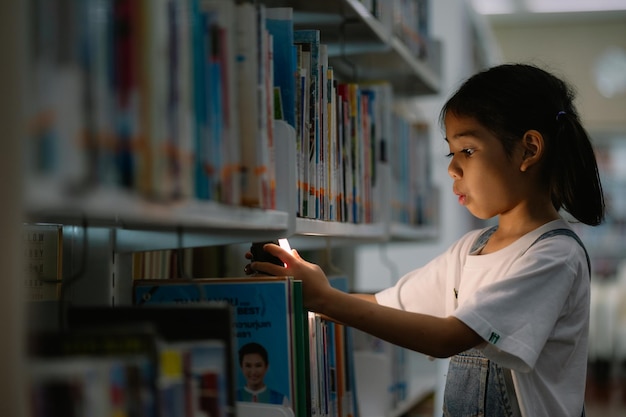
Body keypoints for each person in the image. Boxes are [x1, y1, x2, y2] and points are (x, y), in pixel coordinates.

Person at [246, 63, 605, 417]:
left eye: (467, 150)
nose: (452, 168)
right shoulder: (471, 249)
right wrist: (306, 292)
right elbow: (388, 305)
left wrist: (325, 297)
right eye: (452, 153)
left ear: (528, 149)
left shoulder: (554, 256)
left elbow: (448, 338)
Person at [236, 342, 290, 407]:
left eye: (258, 365)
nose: (253, 372)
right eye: (248, 366)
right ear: (241, 367)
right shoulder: (232, 399)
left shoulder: (281, 401)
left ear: (266, 367)